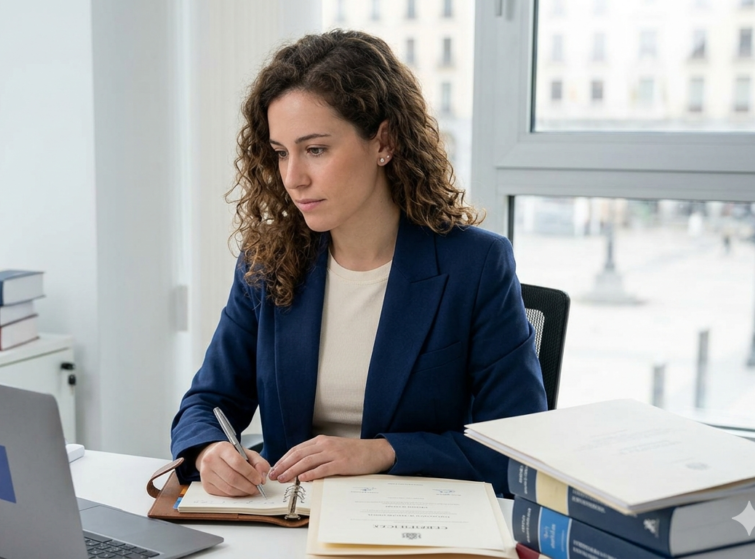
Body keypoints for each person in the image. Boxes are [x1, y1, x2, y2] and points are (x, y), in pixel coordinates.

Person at [170, 30, 546, 498]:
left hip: (415, 521)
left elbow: (518, 447)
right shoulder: (268, 263)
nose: (293, 177)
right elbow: (207, 403)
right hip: (291, 522)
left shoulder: (475, 264)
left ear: (383, 141)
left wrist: (382, 451)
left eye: (315, 150)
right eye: (281, 153)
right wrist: (209, 452)